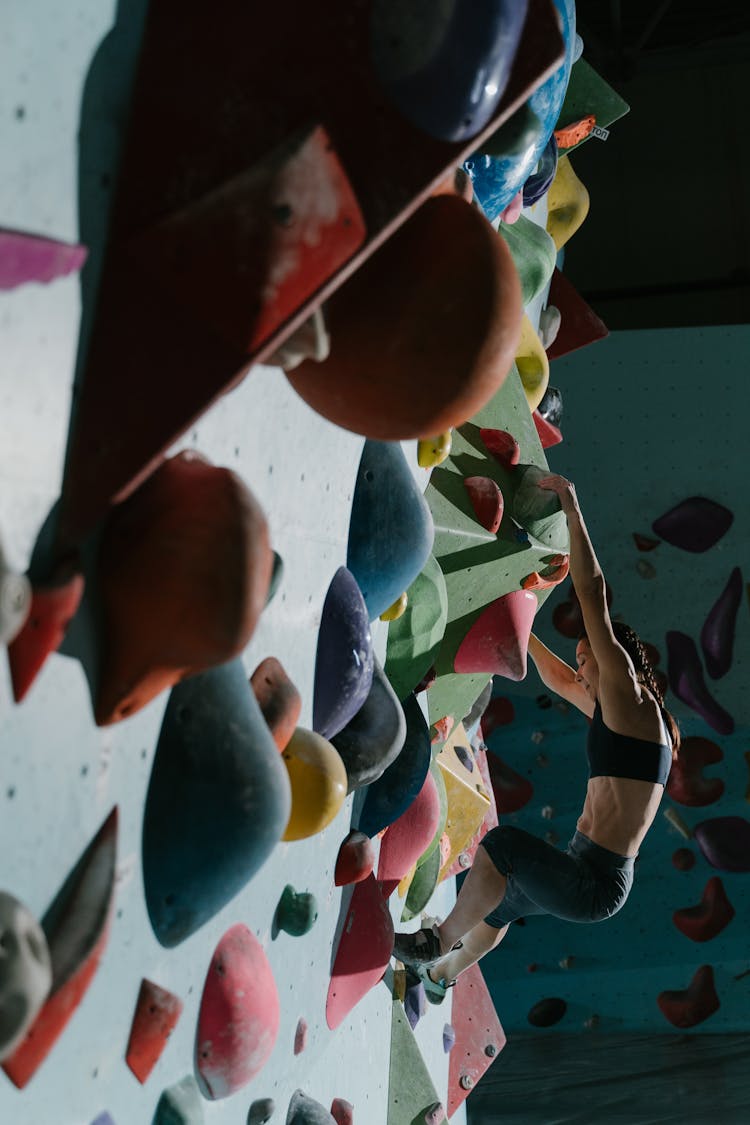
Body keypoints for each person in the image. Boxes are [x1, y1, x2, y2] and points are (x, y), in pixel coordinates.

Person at [392, 473, 680, 1000]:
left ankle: (434, 944)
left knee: (501, 847)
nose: (581, 669)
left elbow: (592, 594)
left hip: (595, 882)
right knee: (500, 902)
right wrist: (519, 609)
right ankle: (439, 979)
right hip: (586, 865)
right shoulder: (623, 711)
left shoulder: (628, 695)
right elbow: (558, 679)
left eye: (585, 658)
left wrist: (572, 509)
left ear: (612, 660)